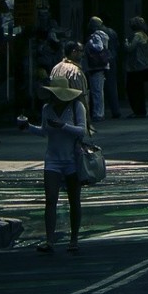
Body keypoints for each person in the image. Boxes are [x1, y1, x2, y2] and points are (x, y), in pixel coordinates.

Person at [16, 80, 89, 253]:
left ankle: (74, 239)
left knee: (74, 200)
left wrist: (63, 126)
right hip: (53, 159)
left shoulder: (77, 107)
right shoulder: (47, 109)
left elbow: (82, 131)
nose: (54, 98)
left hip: (72, 159)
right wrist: (28, 127)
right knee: (50, 199)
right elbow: (44, 131)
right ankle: (49, 240)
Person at [84, 18, 117, 124]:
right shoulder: (110, 32)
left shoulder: (95, 35)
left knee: (97, 90)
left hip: (98, 64)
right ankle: (115, 110)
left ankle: (98, 113)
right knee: (109, 87)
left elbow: (98, 47)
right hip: (108, 61)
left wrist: (89, 44)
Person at [123, 17, 148, 118]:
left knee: (132, 89)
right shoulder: (145, 36)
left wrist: (126, 42)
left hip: (135, 66)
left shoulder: (136, 36)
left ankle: (138, 111)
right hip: (144, 65)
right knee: (139, 89)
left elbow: (130, 48)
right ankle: (141, 110)